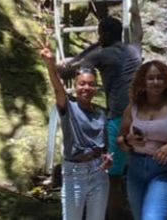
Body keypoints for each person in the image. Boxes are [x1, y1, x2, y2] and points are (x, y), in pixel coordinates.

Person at [58, 16, 142, 220]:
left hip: (119, 121)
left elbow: (67, 70)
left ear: (103, 35)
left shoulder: (104, 54)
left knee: (112, 180)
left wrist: (90, 48)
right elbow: (138, 35)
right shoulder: (134, 51)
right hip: (141, 119)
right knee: (133, 176)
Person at [116, 60, 167, 220]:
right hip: (136, 169)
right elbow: (119, 141)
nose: (156, 82)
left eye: (160, 78)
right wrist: (129, 140)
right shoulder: (133, 107)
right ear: (143, 82)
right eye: (151, 78)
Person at [40, 44, 111, 220]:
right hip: (74, 174)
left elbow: (105, 149)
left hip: (98, 174)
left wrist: (107, 158)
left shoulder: (100, 114)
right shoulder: (68, 108)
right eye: (82, 84)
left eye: (91, 84)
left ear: (95, 88)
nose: (86, 88)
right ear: (76, 86)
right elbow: (58, 89)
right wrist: (50, 63)